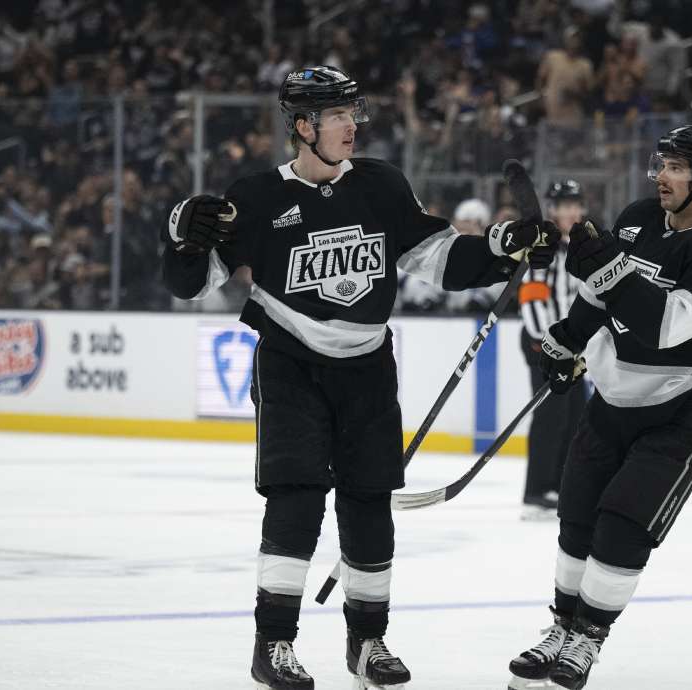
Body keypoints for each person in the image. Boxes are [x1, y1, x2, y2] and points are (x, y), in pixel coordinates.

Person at [160, 66, 558, 690]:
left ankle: (368, 641)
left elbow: (438, 254)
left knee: (370, 505)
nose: (353, 124)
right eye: (338, 114)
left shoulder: (380, 184)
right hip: (290, 363)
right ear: (302, 125)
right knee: (296, 500)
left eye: (353, 112)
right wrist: (180, 239)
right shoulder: (258, 196)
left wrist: (504, 245)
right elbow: (192, 283)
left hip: (368, 369)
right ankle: (275, 645)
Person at [506, 125, 692, 690]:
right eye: (661, 162)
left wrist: (611, 269)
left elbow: (666, 328)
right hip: (611, 401)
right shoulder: (639, 217)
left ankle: (588, 638)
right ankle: (561, 629)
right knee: (576, 519)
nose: (660, 174)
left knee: (622, 523)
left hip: (679, 410)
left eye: (676, 166)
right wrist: (565, 339)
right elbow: (596, 293)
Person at [518, 179, 587, 520]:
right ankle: (536, 491)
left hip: (573, 347)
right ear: (552, 209)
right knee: (551, 416)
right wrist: (548, 343)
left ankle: (561, 487)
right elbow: (531, 297)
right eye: (565, 205)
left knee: (575, 416)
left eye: (576, 204)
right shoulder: (544, 246)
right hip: (541, 343)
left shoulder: (582, 245)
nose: (571, 211)